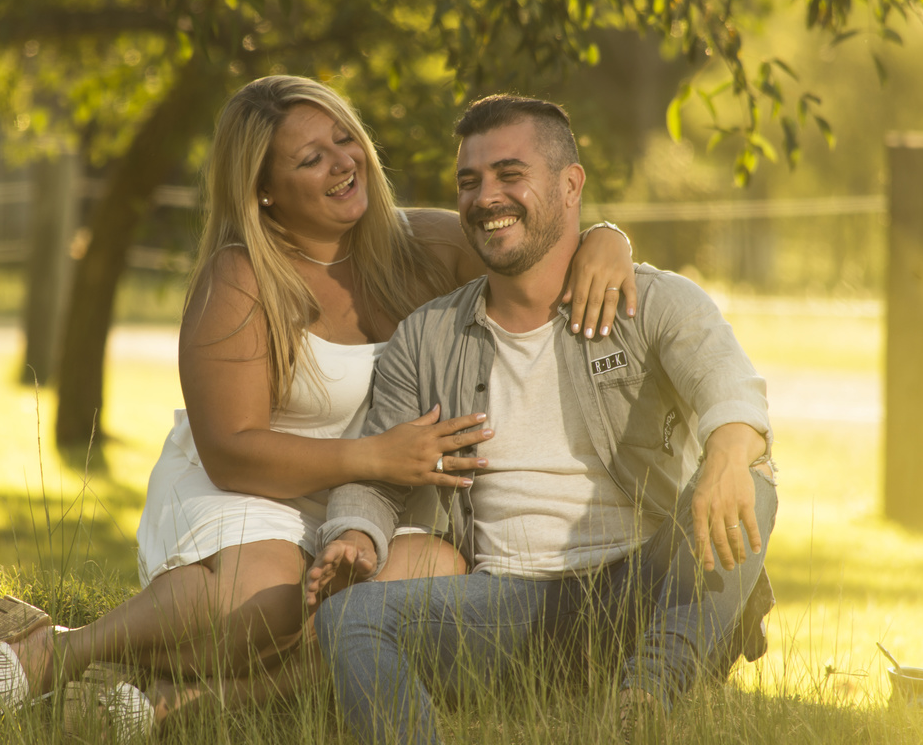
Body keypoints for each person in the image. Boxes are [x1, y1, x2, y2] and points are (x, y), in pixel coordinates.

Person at [0, 76, 636, 735]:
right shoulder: (240, 277)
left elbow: (536, 252)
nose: (342, 163)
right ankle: (59, 652)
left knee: (432, 583)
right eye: (310, 159)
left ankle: (192, 700)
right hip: (252, 489)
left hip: (380, 496)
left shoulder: (428, 245)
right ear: (264, 191)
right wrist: (373, 453)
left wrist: (608, 239)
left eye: (344, 140)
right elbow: (230, 447)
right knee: (274, 592)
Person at [307, 94, 778, 745]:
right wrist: (356, 534)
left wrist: (728, 453)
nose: (485, 196)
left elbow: (731, 387)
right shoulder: (428, 336)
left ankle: (642, 703)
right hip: (509, 607)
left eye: (509, 174)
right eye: (469, 182)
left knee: (752, 475)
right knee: (349, 620)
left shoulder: (653, 301)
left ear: (569, 186)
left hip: (639, 590)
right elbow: (379, 468)